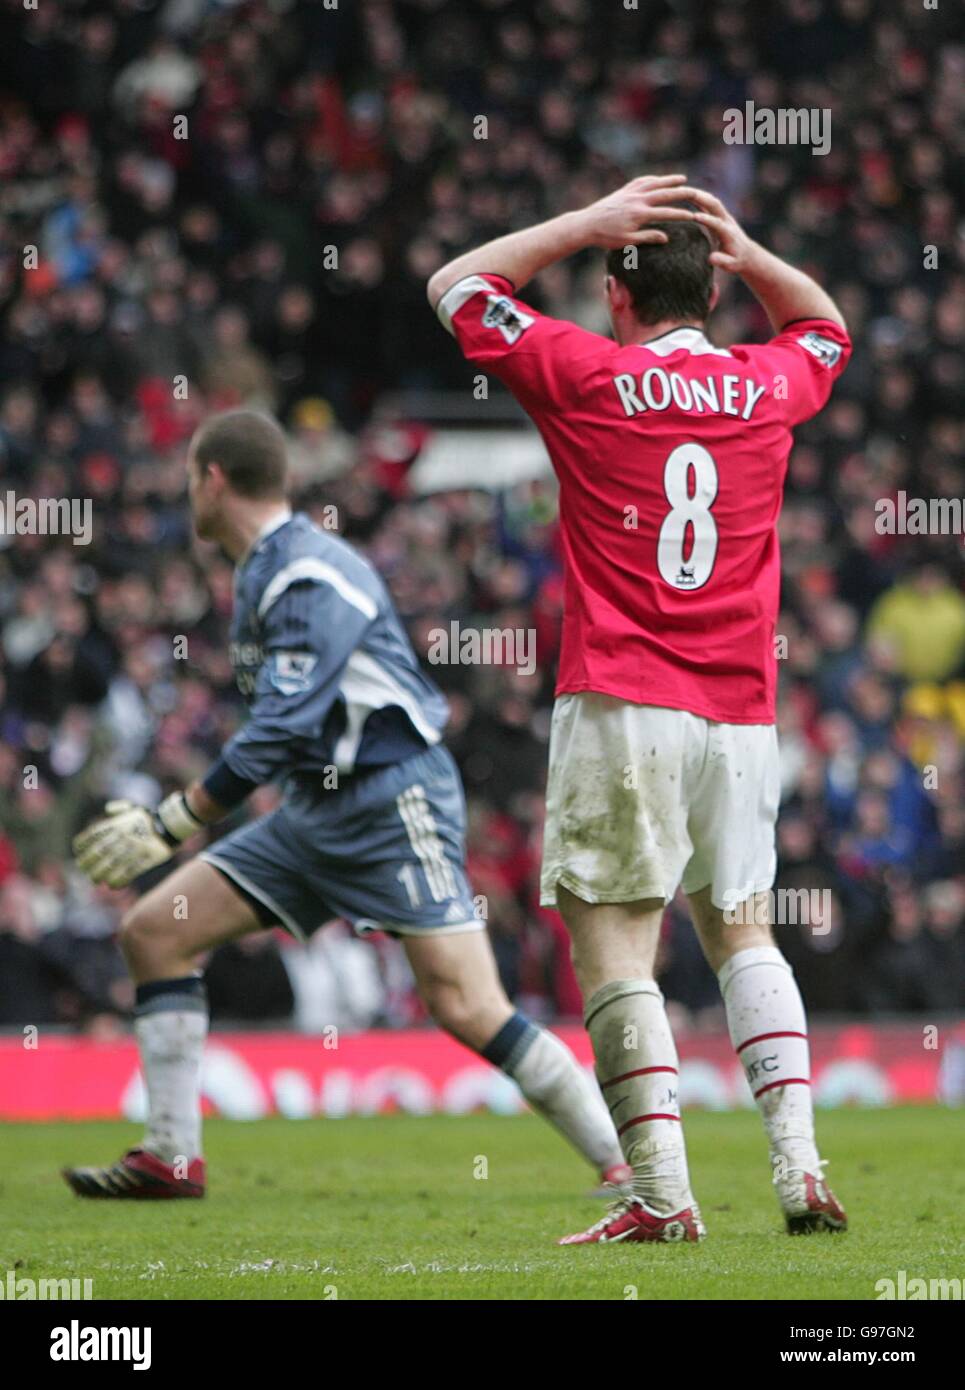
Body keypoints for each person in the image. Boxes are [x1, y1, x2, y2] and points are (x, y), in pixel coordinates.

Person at [428, 175, 851, 1243]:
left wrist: (579, 221)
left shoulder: (586, 372)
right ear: (711, 294)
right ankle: (798, 1170)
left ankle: (660, 1195)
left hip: (623, 696)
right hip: (742, 714)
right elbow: (823, 327)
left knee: (616, 947)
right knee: (743, 932)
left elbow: (457, 287)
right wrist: (745, 251)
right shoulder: (765, 383)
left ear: (615, 293)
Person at [65, 409, 630, 1198]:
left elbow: (282, 723)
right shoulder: (265, 567)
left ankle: (621, 1162)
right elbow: (291, 731)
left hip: (392, 802)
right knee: (153, 933)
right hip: (311, 809)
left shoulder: (305, 573)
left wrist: (173, 821)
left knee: (464, 1003)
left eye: (191, 477)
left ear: (212, 479)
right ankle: (170, 1155)